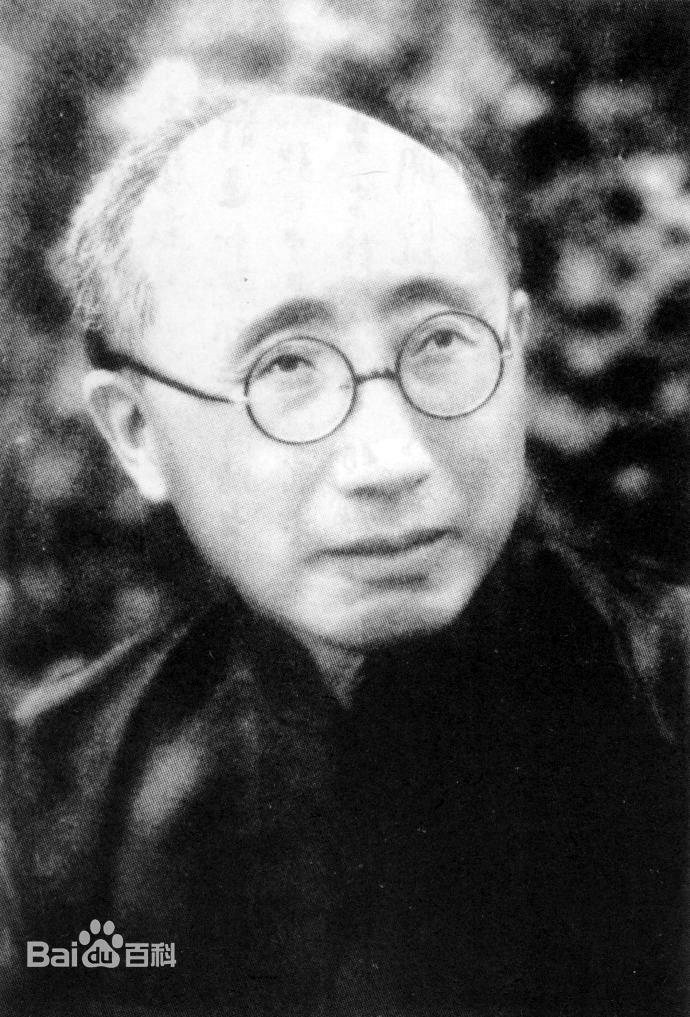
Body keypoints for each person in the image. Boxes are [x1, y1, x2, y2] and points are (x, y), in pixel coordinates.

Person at [1, 88, 687, 1017]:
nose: (390, 458)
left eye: (440, 341)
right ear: (136, 434)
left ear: (518, 353)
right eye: (286, 366)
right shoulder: (48, 799)